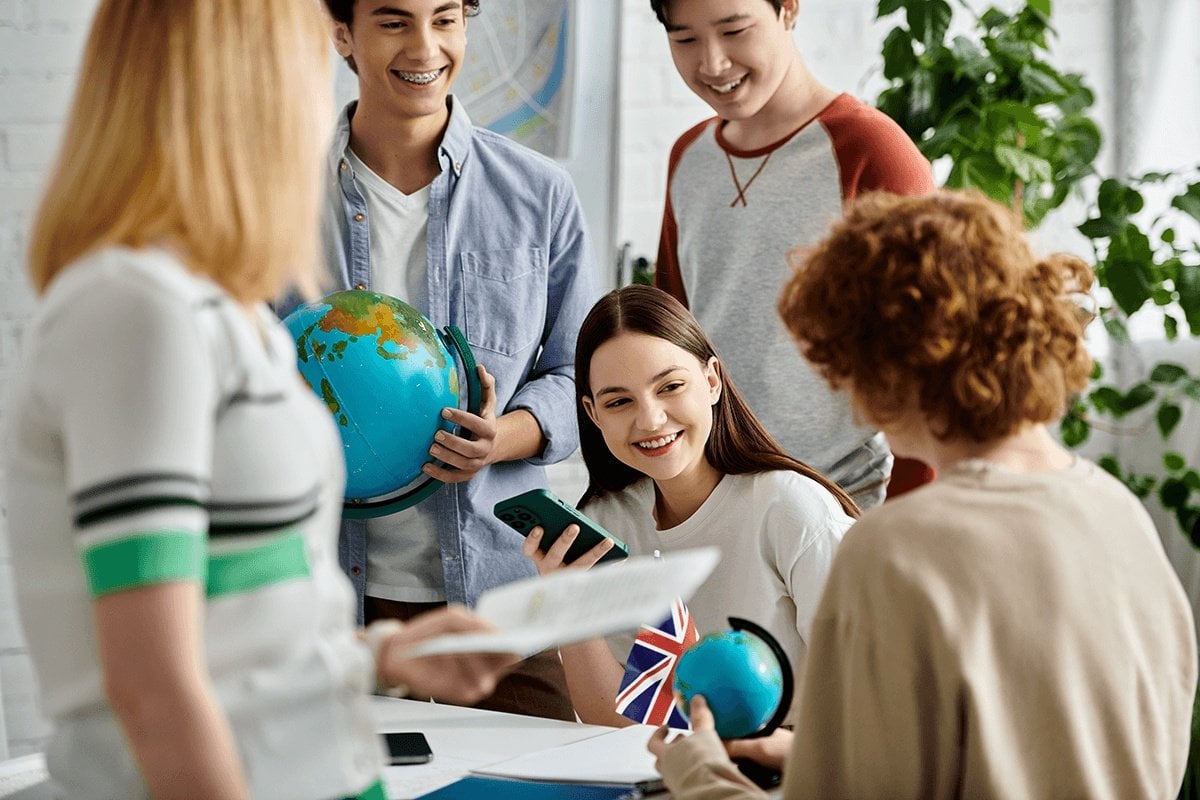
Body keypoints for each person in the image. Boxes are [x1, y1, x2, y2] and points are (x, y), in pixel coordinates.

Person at [4, 2, 518, 798]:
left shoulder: (224, 313)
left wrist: (380, 657)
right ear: (249, 90)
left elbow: (237, 642)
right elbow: (154, 688)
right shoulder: (135, 311)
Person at [647, 190, 1199, 799]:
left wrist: (698, 771)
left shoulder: (898, 548)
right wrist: (822, 750)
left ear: (884, 366)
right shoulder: (1115, 510)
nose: (850, 401)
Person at [292, 0, 600, 721]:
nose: (425, 46)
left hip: (505, 603)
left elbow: (581, 378)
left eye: (446, 18)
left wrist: (503, 438)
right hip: (334, 610)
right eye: (394, 21)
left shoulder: (540, 195)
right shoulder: (278, 200)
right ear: (343, 34)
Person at [522, 284, 858, 726]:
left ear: (712, 381)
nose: (651, 420)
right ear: (593, 413)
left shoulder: (790, 509)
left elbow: (871, 699)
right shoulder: (605, 526)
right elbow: (612, 717)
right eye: (619, 401)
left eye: (671, 386)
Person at [649, 0, 936, 507]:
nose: (712, 63)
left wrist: (908, 517)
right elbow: (669, 336)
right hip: (711, 502)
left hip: (841, 504)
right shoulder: (687, 157)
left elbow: (928, 354)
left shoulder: (871, 151)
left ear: (788, 9)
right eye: (685, 39)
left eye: (734, 30)